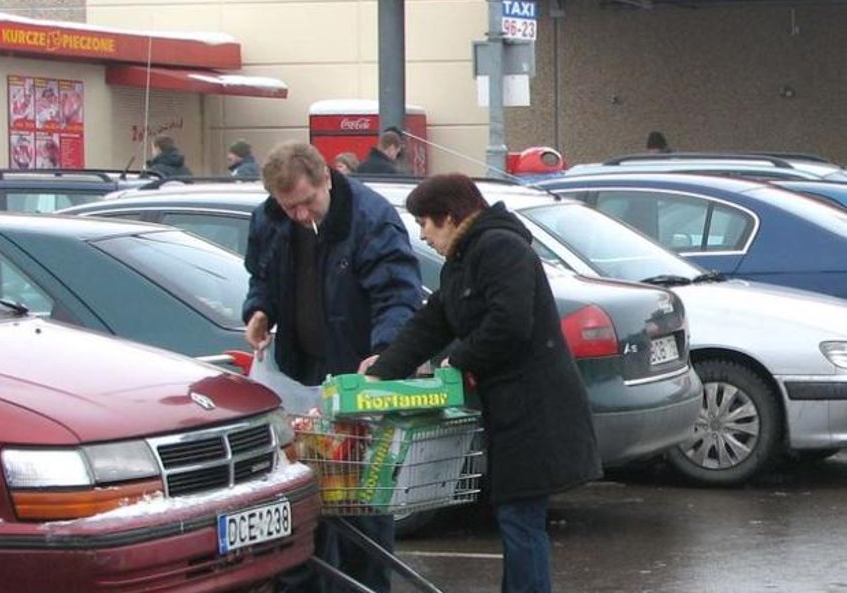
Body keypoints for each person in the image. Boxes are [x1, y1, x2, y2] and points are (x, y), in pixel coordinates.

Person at [359, 173, 603, 593]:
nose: (423, 234)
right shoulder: (465, 258)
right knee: (515, 516)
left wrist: (459, 360)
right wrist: (383, 368)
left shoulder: (500, 248)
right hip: (509, 410)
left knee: (520, 518)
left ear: (449, 217)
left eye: (425, 224)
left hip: (536, 410)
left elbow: (510, 323)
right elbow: (432, 321)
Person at [242, 141, 422, 593]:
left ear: (327, 178)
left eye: (307, 203)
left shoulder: (369, 218)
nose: (300, 215)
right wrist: (259, 310)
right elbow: (261, 276)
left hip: (354, 375)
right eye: (290, 207)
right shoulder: (269, 219)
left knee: (360, 503)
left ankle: (366, 585)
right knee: (302, 502)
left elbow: (396, 292)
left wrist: (385, 351)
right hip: (298, 372)